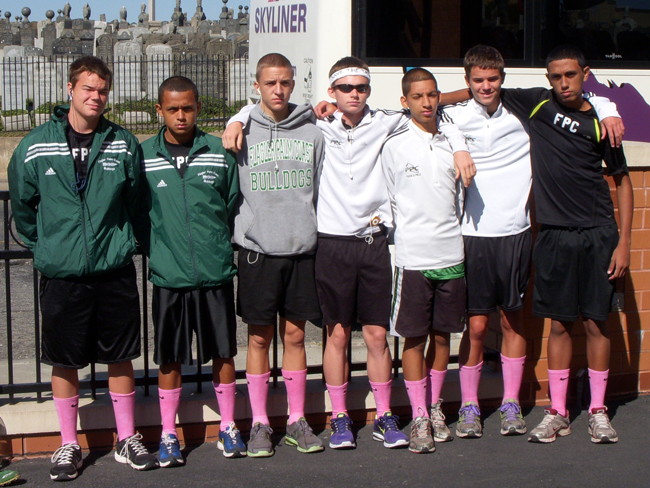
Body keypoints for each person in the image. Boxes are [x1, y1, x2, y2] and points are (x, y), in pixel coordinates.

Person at [223, 56, 473, 449]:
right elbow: (263, 105)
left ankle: (385, 415)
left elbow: (434, 109)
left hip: (372, 242)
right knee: (335, 335)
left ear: (370, 91)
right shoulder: (316, 120)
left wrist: (458, 147)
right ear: (331, 93)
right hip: (330, 243)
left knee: (376, 335)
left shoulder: (389, 121)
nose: (354, 94)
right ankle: (339, 418)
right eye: (345, 88)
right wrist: (237, 118)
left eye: (362, 87)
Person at [439, 45, 624, 439]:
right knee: (481, 327)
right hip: (495, 236)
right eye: (477, 80)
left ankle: (558, 407)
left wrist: (606, 106)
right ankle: (484, 408)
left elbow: (618, 170)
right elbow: (430, 101)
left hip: (541, 233)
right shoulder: (481, 113)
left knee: (534, 322)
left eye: (493, 79)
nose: (486, 86)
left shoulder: (543, 112)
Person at [7, 56, 156, 482]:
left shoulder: (122, 143)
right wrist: (47, 245)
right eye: (88, 88)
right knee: (65, 359)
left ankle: (126, 438)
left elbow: (135, 201)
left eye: (103, 90)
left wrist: (126, 241)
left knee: (121, 356)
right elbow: (23, 205)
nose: (96, 97)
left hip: (112, 267)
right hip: (63, 271)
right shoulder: (36, 144)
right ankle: (68, 443)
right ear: (70, 89)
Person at [496, 45, 632, 444]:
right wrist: (426, 101)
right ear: (547, 78)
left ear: (584, 73)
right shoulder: (537, 104)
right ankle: (557, 411)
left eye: (570, 75)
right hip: (553, 235)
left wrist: (624, 243)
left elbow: (623, 182)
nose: (562, 83)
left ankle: (598, 411)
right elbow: (479, 89)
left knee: (595, 322)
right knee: (558, 324)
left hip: (598, 234)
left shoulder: (604, 123)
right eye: (555, 76)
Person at [139, 76, 242, 466]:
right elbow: (138, 212)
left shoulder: (218, 151)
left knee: (223, 353)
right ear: (160, 111)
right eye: (172, 109)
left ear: (199, 107)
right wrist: (161, 251)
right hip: (169, 276)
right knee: (169, 359)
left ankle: (228, 427)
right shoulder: (143, 154)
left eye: (188, 108)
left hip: (214, 272)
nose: (181, 116)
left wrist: (215, 244)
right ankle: (168, 434)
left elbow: (230, 203)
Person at [234, 53, 325, 457]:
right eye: (270, 83)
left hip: (301, 248)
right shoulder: (240, 130)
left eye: (285, 82)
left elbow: (320, 186)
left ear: (293, 84)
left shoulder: (313, 133)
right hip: (258, 250)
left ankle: (296, 419)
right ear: (257, 85)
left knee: (295, 336)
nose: (278, 90)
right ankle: (258, 423)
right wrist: (237, 119)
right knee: (258, 337)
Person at [381, 68, 467, 454]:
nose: (427, 102)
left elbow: (460, 201)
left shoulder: (454, 141)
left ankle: (434, 408)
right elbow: (386, 198)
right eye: (418, 96)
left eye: (432, 95)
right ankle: (418, 415)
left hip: (451, 253)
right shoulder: (394, 145)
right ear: (405, 102)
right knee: (413, 339)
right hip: (413, 257)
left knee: (442, 335)